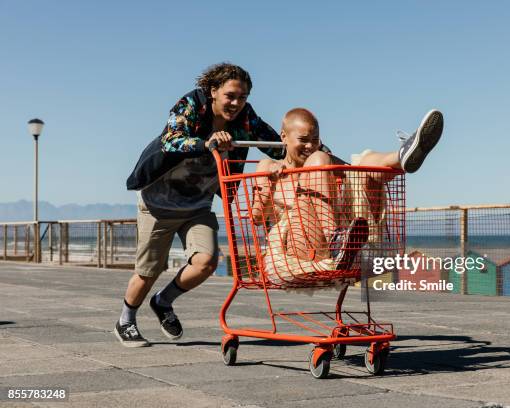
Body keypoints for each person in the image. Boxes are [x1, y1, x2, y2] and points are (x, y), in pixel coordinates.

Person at [115, 63, 288, 347]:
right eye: (230, 95)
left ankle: (163, 301)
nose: (236, 103)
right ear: (213, 91)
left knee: (207, 262)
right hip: (158, 202)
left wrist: (315, 151)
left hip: (197, 204)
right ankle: (125, 320)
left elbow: (275, 144)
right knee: (149, 270)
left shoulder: (245, 119)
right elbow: (171, 140)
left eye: (242, 97)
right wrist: (207, 142)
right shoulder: (191, 104)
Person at [251, 108, 443, 287]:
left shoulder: (324, 160)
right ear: (284, 136)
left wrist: (380, 172)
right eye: (303, 139)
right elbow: (257, 217)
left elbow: (359, 173)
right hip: (298, 248)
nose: (309, 145)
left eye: (315, 139)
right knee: (319, 159)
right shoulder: (268, 165)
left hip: (337, 245)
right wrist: (271, 182)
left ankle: (402, 155)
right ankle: (335, 240)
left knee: (362, 163)